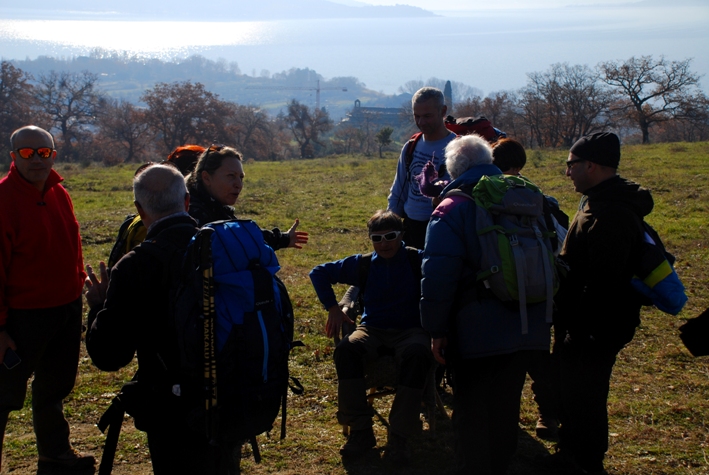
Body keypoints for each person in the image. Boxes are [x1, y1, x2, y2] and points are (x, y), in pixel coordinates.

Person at [420, 135, 551, 475]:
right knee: (506, 407)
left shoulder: (452, 207)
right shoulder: (525, 194)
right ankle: (501, 465)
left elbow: (437, 273)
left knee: (472, 411)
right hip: (529, 321)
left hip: (476, 330)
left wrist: (435, 329)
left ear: (454, 170)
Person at [84, 163, 212, 474]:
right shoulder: (221, 248)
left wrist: (98, 308)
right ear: (186, 202)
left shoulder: (135, 266)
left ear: (139, 210)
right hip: (232, 394)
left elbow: (110, 355)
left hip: (171, 408)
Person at [548, 132, 653, 475]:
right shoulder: (597, 201)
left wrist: (579, 331)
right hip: (583, 322)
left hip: (594, 327)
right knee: (574, 394)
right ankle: (571, 451)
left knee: (585, 397)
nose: (568, 173)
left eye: (571, 165)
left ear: (590, 165)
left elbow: (604, 283)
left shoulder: (612, 214)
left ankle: (585, 462)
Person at [0, 125, 94, 471]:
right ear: (13, 157)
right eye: (27, 153)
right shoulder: (4, 199)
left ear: (53, 154)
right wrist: (0, 329)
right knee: (4, 396)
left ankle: (54, 456)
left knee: (54, 389)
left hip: (65, 309)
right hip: (22, 316)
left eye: (44, 152)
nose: (37, 159)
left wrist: (77, 289)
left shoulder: (59, 192)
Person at [309, 210, 432, 465]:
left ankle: (399, 436)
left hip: (411, 330)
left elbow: (445, 274)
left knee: (419, 354)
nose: (384, 243)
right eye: (377, 238)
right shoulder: (363, 263)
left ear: (402, 236)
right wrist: (332, 307)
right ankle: (361, 432)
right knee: (346, 350)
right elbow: (318, 272)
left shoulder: (417, 260)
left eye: (390, 236)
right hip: (372, 329)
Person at [491, 138, 566, 440]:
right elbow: (560, 241)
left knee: (502, 359)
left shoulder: (486, 198)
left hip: (500, 290)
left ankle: (501, 420)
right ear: (520, 164)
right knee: (538, 354)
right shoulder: (541, 200)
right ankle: (549, 415)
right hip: (539, 288)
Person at [186, 144, 308, 250]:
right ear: (206, 177)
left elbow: (244, 235)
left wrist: (283, 239)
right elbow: (239, 240)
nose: (238, 184)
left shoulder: (214, 208)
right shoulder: (194, 216)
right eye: (230, 176)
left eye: (241, 177)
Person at [107, 145, 205, 269]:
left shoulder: (129, 265)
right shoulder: (214, 248)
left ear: (139, 209)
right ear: (187, 201)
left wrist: (102, 289)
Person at [387, 87, 456, 250]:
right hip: (410, 228)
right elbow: (398, 190)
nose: (421, 122)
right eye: (416, 116)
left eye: (427, 116)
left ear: (443, 111)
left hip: (442, 229)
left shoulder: (457, 150)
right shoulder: (411, 146)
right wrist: (390, 227)